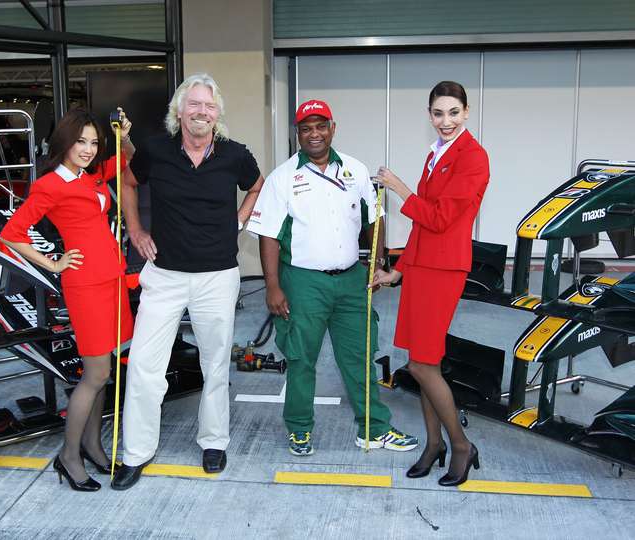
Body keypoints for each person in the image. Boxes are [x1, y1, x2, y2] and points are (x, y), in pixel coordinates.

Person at [112, 73, 264, 490]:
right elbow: (127, 180)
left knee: (214, 365)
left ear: (218, 114)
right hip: (164, 276)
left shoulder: (234, 155)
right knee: (144, 366)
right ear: (179, 112)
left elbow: (256, 185)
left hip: (217, 277)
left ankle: (214, 441)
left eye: (209, 106)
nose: (201, 112)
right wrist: (136, 231)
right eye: (194, 104)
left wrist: (239, 219)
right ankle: (136, 453)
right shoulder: (156, 151)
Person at [247, 99, 418, 457]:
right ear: (298, 134)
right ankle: (299, 429)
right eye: (306, 128)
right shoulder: (282, 178)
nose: (314, 134)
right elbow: (267, 234)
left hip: (352, 281)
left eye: (320, 126)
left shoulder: (354, 170)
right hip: (304, 282)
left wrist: (377, 261)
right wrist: (274, 286)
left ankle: (373, 429)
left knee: (359, 356)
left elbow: (376, 217)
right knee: (301, 358)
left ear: (332, 128)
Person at [1, 107, 133, 492]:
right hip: (86, 286)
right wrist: (53, 263)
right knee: (95, 376)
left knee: (106, 371)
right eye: (81, 142)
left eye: (94, 143)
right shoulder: (51, 185)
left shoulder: (90, 178)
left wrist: (123, 134)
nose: (89, 149)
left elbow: (129, 157)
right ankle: (68, 456)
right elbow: (11, 233)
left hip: (112, 280)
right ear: (65, 142)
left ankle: (92, 444)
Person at [372, 81, 489, 486]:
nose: (445, 121)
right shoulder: (436, 153)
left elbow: (439, 219)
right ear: (430, 114)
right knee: (426, 363)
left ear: (466, 112)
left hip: (444, 271)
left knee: (421, 363)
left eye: (453, 113)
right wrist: (399, 270)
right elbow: (423, 226)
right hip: (422, 268)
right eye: (438, 113)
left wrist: (399, 187)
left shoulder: (473, 157)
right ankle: (433, 443)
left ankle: (461, 446)